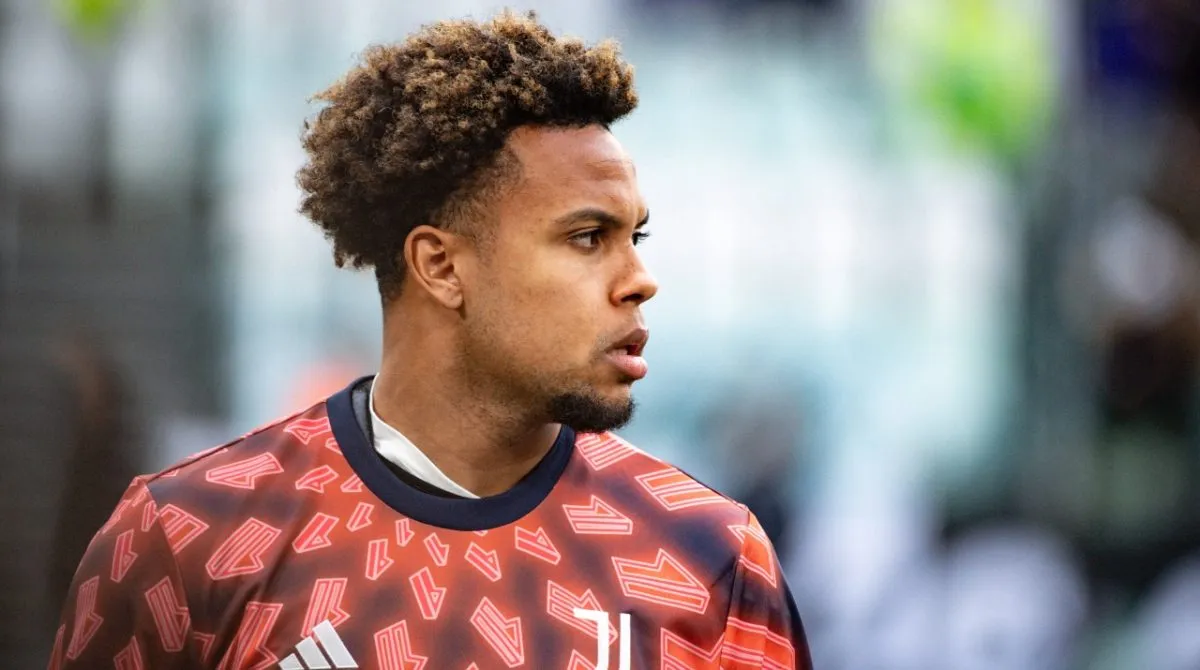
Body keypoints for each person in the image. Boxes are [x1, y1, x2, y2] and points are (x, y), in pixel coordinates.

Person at [49, 11, 812, 669]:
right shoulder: (187, 540)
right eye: (587, 237)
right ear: (441, 266)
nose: (640, 280)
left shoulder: (708, 557)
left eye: (634, 237)